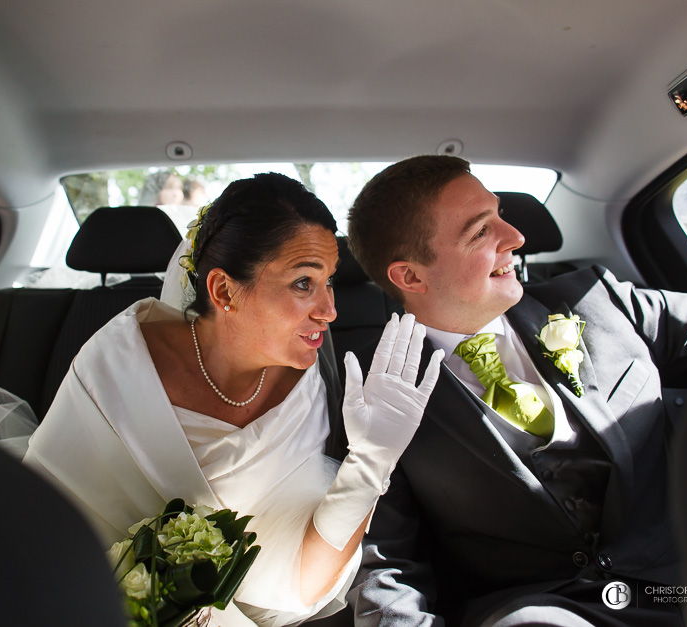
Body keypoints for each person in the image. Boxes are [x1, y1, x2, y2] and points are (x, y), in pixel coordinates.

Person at [344, 155, 687, 626]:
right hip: (546, 612)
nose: (515, 238)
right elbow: (383, 563)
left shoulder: (598, 301)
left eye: (500, 216)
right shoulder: (370, 394)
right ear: (410, 276)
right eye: (481, 232)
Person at [24, 173, 443, 626]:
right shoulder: (117, 364)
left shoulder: (313, 386)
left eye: (330, 282)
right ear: (224, 291)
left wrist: (373, 459)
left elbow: (301, 585)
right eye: (303, 283)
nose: (330, 310)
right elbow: (42, 536)